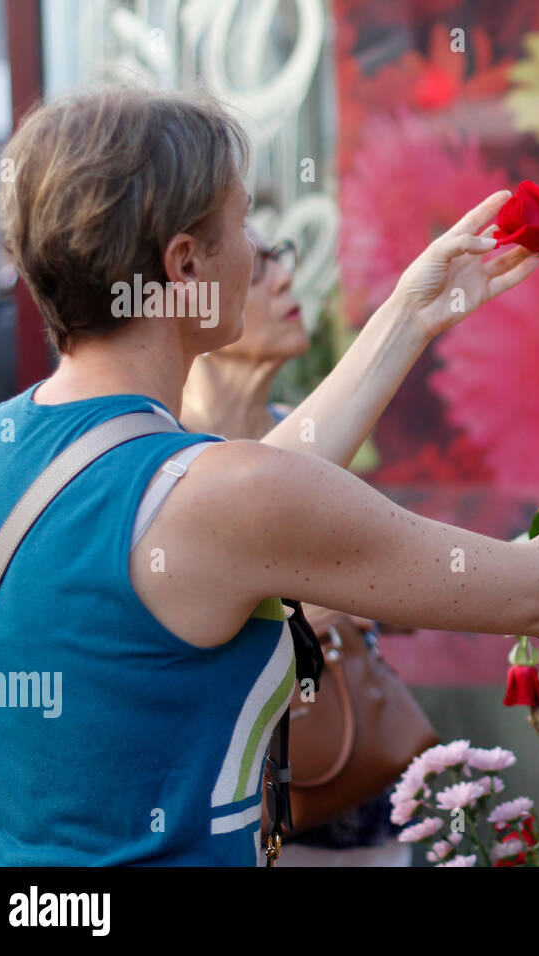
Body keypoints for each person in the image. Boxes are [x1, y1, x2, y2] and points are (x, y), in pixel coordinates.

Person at [0, 86, 539, 866]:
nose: (261, 254)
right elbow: (536, 590)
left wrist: (411, 316)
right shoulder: (217, 497)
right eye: (244, 227)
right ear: (183, 263)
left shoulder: (4, 442)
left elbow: (264, 483)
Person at [181, 227, 408, 865]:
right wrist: (309, 608)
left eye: (283, 260)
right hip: (244, 809)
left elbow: (387, 566)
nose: (285, 279)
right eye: (258, 271)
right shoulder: (165, 466)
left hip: (359, 776)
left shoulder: (302, 431)